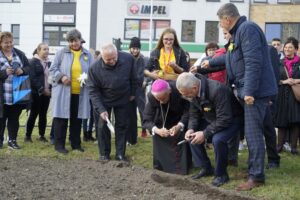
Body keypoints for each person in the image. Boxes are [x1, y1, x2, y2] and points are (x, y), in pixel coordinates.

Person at [202, 3, 278, 190]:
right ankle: (257, 168)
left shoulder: (247, 29)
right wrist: (207, 63)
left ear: (227, 19)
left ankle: (257, 176)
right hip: (249, 91)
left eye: (220, 22)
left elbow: (253, 63)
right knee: (257, 131)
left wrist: (249, 92)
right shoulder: (238, 33)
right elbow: (229, 59)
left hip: (254, 93)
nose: (221, 26)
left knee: (253, 135)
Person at [176, 73, 242, 186]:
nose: (185, 97)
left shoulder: (217, 90)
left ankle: (221, 175)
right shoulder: (192, 93)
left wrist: (205, 133)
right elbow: (194, 114)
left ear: (194, 88)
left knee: (218, 140)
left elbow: (225, 119)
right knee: (192, 137)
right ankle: (206, 168)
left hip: (232, 119)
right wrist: (191, 129)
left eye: (186, 94)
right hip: (213, 118)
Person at [87, 44, 137, 162]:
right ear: (102, 57)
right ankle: (104, 154)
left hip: (123, 97)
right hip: (103, 100)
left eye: (114, 58)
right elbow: (93, 91)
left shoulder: (128, 59)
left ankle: (120, 154)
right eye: (108, 59)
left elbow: (134, 77)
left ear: (117, 53)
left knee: (122, 125)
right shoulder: (94, 68)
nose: (112, 61)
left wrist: (133, 93)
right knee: (102, 126)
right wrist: (101, 109)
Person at [49, 29, 93, 154]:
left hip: (80, 93)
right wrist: (61, 77)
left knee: (77, 119)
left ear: (80, 40)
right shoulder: (61, 53)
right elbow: (53, 69)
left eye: (76, 40)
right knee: (61, 119)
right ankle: (59, 145)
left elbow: (92, 71)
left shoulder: (87, 55)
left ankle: (76, 144)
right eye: (71, 41)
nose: (73, 43)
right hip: (63, 92)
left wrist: (87, 77)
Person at [143, 79, 191, 174]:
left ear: (169, 91)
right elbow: (146, 119)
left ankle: (183, 165)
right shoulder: (152, 96)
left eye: (164, 98)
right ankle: (162, 165)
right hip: (162, 120)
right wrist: (157, 130)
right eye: (159, 99)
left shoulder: (179, 91)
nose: (161, 102)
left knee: (183, 132)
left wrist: (179, 125)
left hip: (179, 117)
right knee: (157, 135)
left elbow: (188, 112)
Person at [0, 31, 30, 149]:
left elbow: (28, 68)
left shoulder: (19, 54)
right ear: (1, 43)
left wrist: (22, 71)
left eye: (11, 42)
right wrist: (3, 73)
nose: (9, 44)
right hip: (3, 95)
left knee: (14, 119)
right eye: (6, 42)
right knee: (1, 119)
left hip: (17, 93)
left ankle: (12, 141)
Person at [274, 37, 300, 155]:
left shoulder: (299, 62)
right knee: (282, 120)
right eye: (286, 47)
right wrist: (284, 82)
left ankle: (294, 147)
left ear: (295, 49)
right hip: (282, 94)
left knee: (296, 120)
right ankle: (279, 145)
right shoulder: (279, 62)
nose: (287, 49)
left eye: (290, 47)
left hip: (296, 94)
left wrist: (296, 80)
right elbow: (274, 78)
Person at [25, 43, 51, 143]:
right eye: (44, 49)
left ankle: (41, 135)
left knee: (43, 114)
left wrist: (50, 90)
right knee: (34, 114)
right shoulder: (33, 62)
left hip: (47, 93)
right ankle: (27, 136)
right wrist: (41, 89)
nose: (47, 51)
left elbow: (51, 77)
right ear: (38, 50)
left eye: (48, 49)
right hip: (36, 93)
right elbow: (32, 78)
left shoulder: (49, 63)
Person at [127, 37, 148, 143]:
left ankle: (144, 130)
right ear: (130, 48)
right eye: (133, 48)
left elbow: (147, 72)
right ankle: (131, 134)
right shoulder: (126, 58)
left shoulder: (143, 59)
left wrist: (145, 81)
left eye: (137, 48)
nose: (135, 50)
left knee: (142, 111)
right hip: (129, 89)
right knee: (130, 113)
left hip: (140, 89)